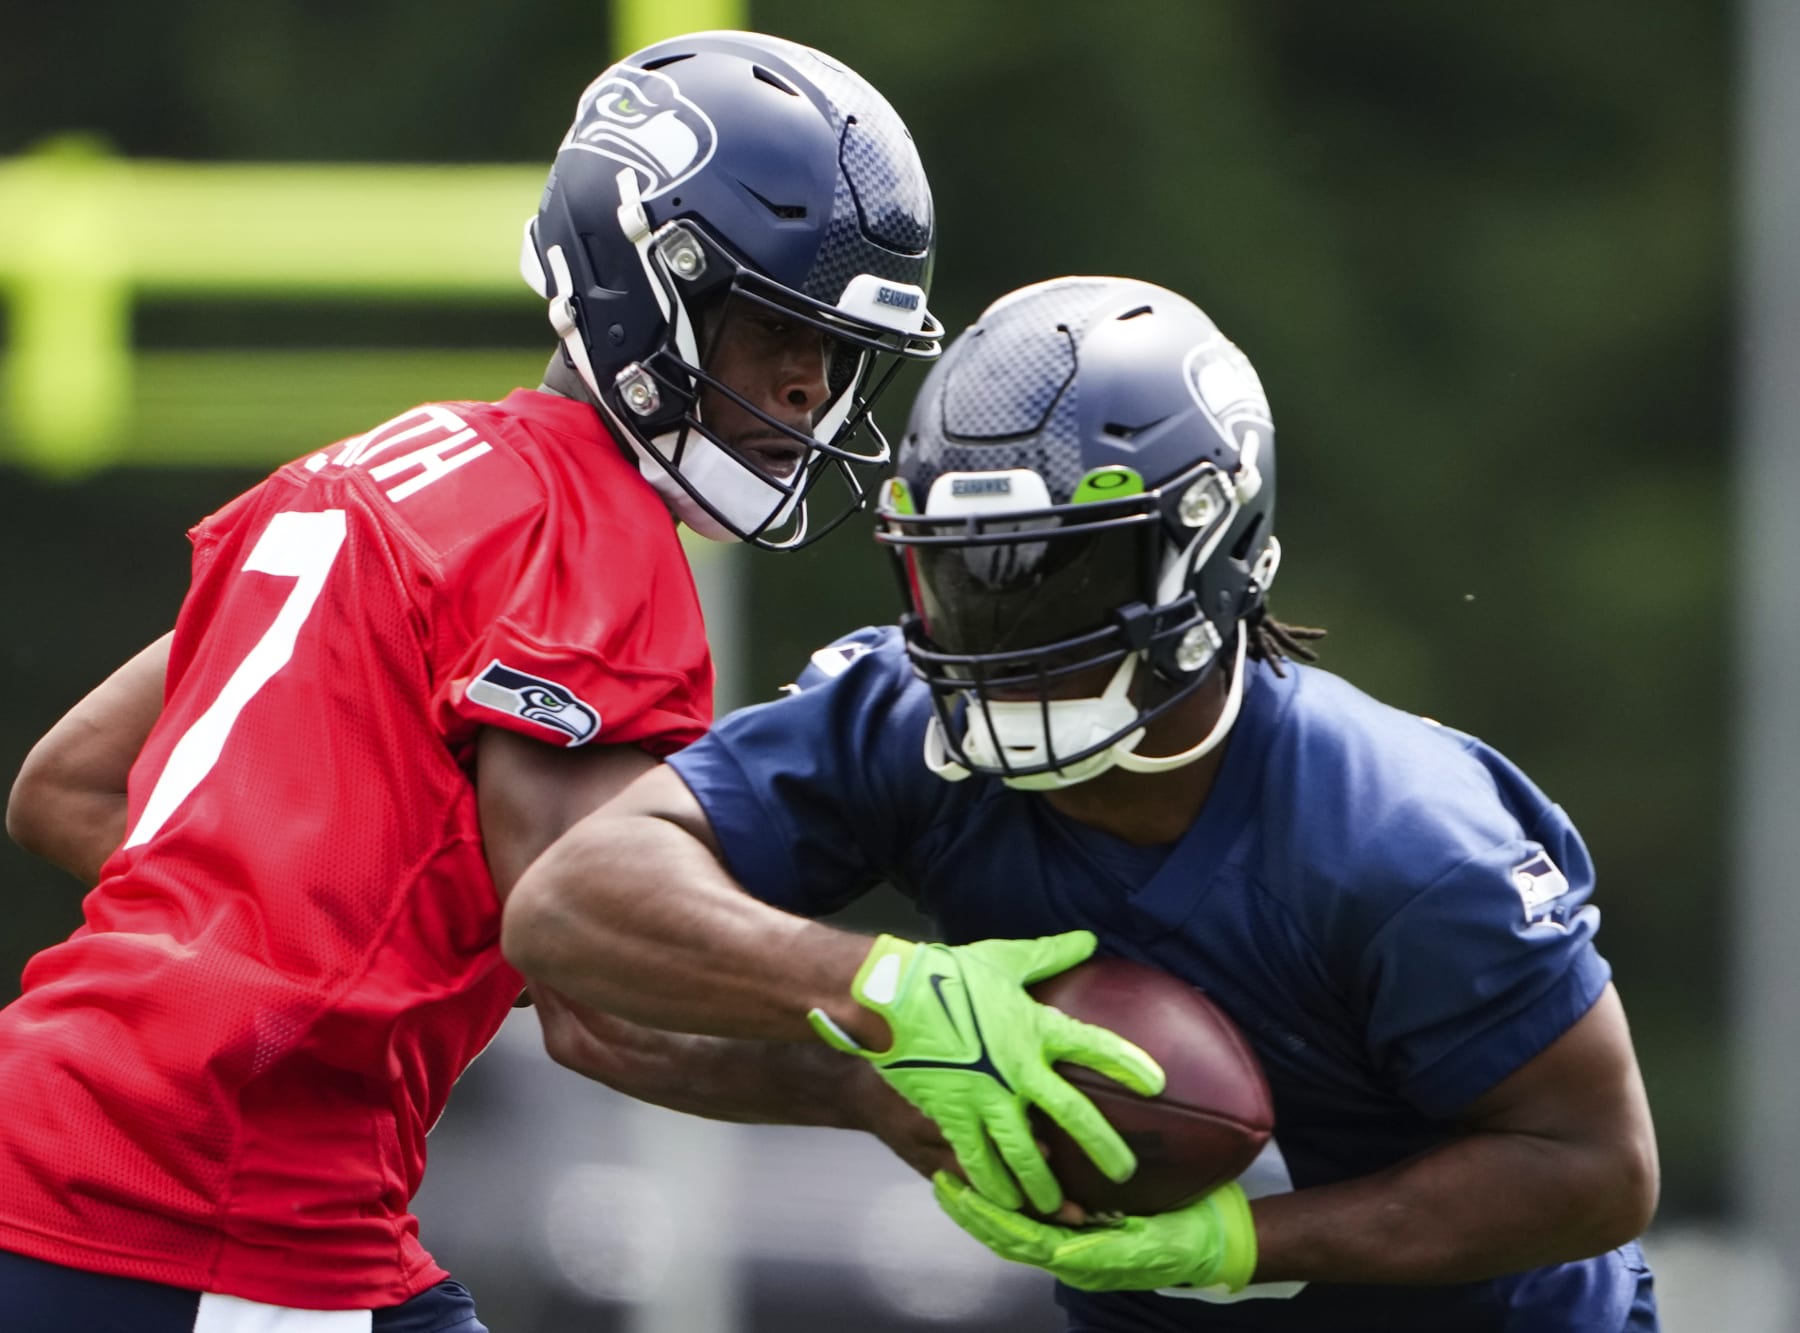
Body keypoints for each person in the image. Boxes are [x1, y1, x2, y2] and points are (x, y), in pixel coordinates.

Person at [0, 29, 1096, 1330]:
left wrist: (338, 932)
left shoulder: (379, 468)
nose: (809, 387)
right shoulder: (590, 539)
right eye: (773, 334)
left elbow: (67, 786)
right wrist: (886, 1042)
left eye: (837, 356)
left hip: (58, 1147)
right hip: (201, 1216)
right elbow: (596, 981)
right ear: (649, 286)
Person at [502, 276, 1663, 1331]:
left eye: (1066, 573)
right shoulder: (905, 729)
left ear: (1210, 552)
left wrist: (1237, 1242)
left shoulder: (1399, 840)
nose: (1007, 640)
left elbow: (1597, 1166)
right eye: (966, 576)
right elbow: (578, 921)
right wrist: (884, 1021)